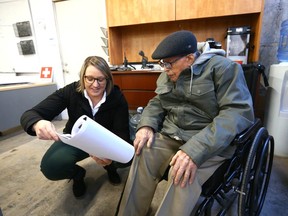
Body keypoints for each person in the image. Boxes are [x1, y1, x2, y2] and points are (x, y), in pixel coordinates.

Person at [117, 30, 254, 215]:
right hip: (173, 135)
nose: (164, 68)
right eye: (162, 63)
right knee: (143, 152)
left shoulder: (224, 69)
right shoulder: (169, 72)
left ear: (189, 58)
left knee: (181, 173)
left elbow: (236, 113)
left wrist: (194, 150)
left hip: (209, 142)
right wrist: (146, 125)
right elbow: (157, 102)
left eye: (168, 63)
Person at [20, 56, 131, 198]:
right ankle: (78, 175)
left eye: (100, 79)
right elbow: (31, 113)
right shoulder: (71, 91)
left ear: (108, 79)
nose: (95, 85)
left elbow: (122, 133)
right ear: (82, 77)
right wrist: (37, 123)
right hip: (76, 139)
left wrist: (111, 157)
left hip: (104, 141)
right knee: (51, 167)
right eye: (90, 78)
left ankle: (110, 167)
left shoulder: (117, 97)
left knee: (126, 158)